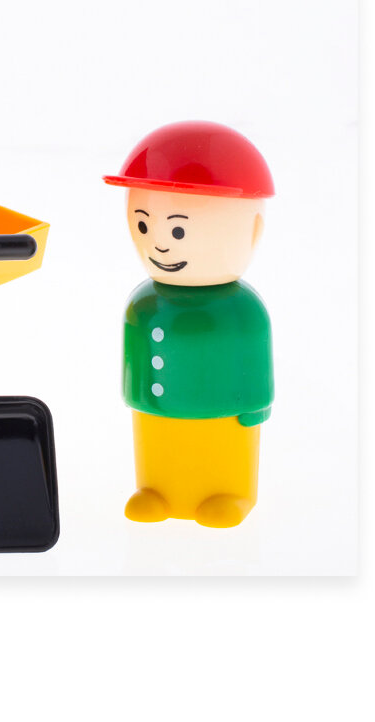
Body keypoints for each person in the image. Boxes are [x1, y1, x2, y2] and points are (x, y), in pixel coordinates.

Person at [104, 121, 274, 527]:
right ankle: (157, 491)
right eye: (144, 225)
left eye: (178, 229)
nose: (160, 243)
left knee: (220, 456)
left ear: (252, 228)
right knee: (159, 452)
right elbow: (133, 364)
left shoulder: (242, 311)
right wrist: (133, 393)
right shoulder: (143, 306)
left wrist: (257, 406)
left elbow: (256, 370)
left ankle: (230, 493)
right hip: (154, 414)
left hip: (225, 416)